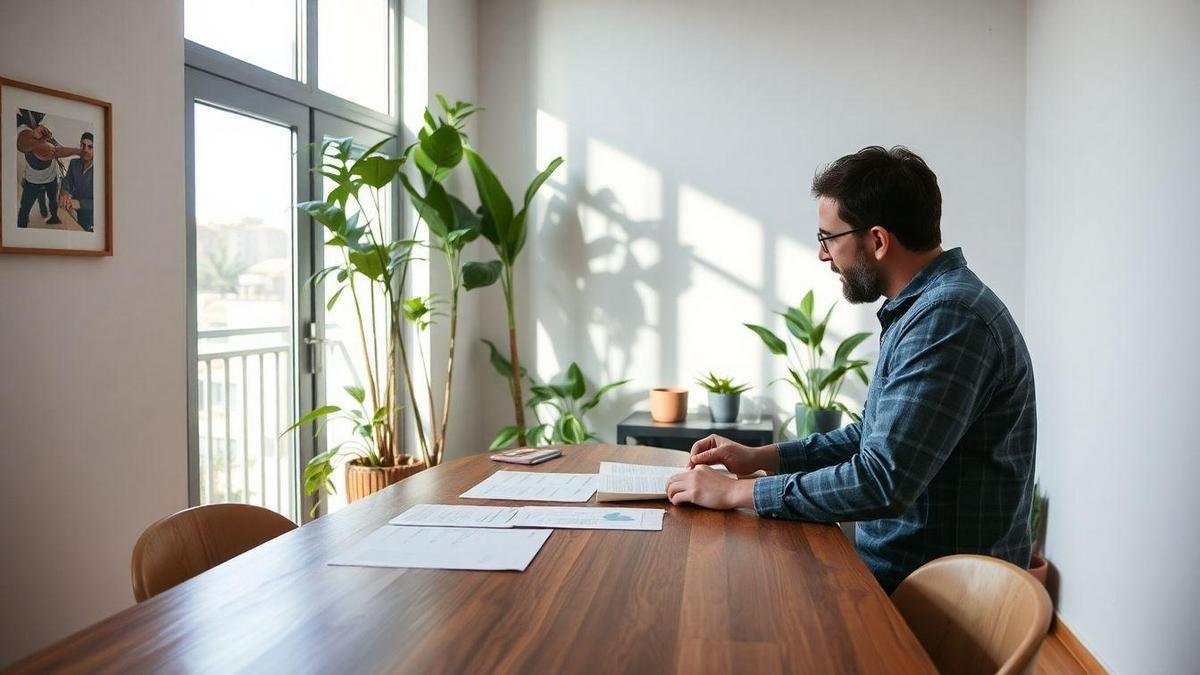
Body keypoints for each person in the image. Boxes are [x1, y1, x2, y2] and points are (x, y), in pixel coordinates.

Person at [667, 146, 1037, 592]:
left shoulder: (949, 319)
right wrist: (760, 458)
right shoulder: (925, 308)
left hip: (933, 592)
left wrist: (734, 492)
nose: (824, 255)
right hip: (904, 572)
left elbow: (882, 481)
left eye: (828, 237)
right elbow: (870, 437)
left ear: (878, 241)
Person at [15, 109, 79, 228]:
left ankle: (50, 216)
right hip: (34, 179)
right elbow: (23, 144)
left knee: (50, 201)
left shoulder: (42, 130)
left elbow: (58, 148)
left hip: (50, 176)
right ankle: (23, 224)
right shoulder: (25, 131)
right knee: (28, 204)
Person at [60, 132, 95, 232]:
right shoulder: (74, 163)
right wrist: (65, 193)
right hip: (72, 212)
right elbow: (67, 181)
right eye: (83, 145)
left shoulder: (101, 171)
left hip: (91, 220)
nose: (85, 150)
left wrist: (80, 204)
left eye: (90, 147)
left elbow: (102, 202)